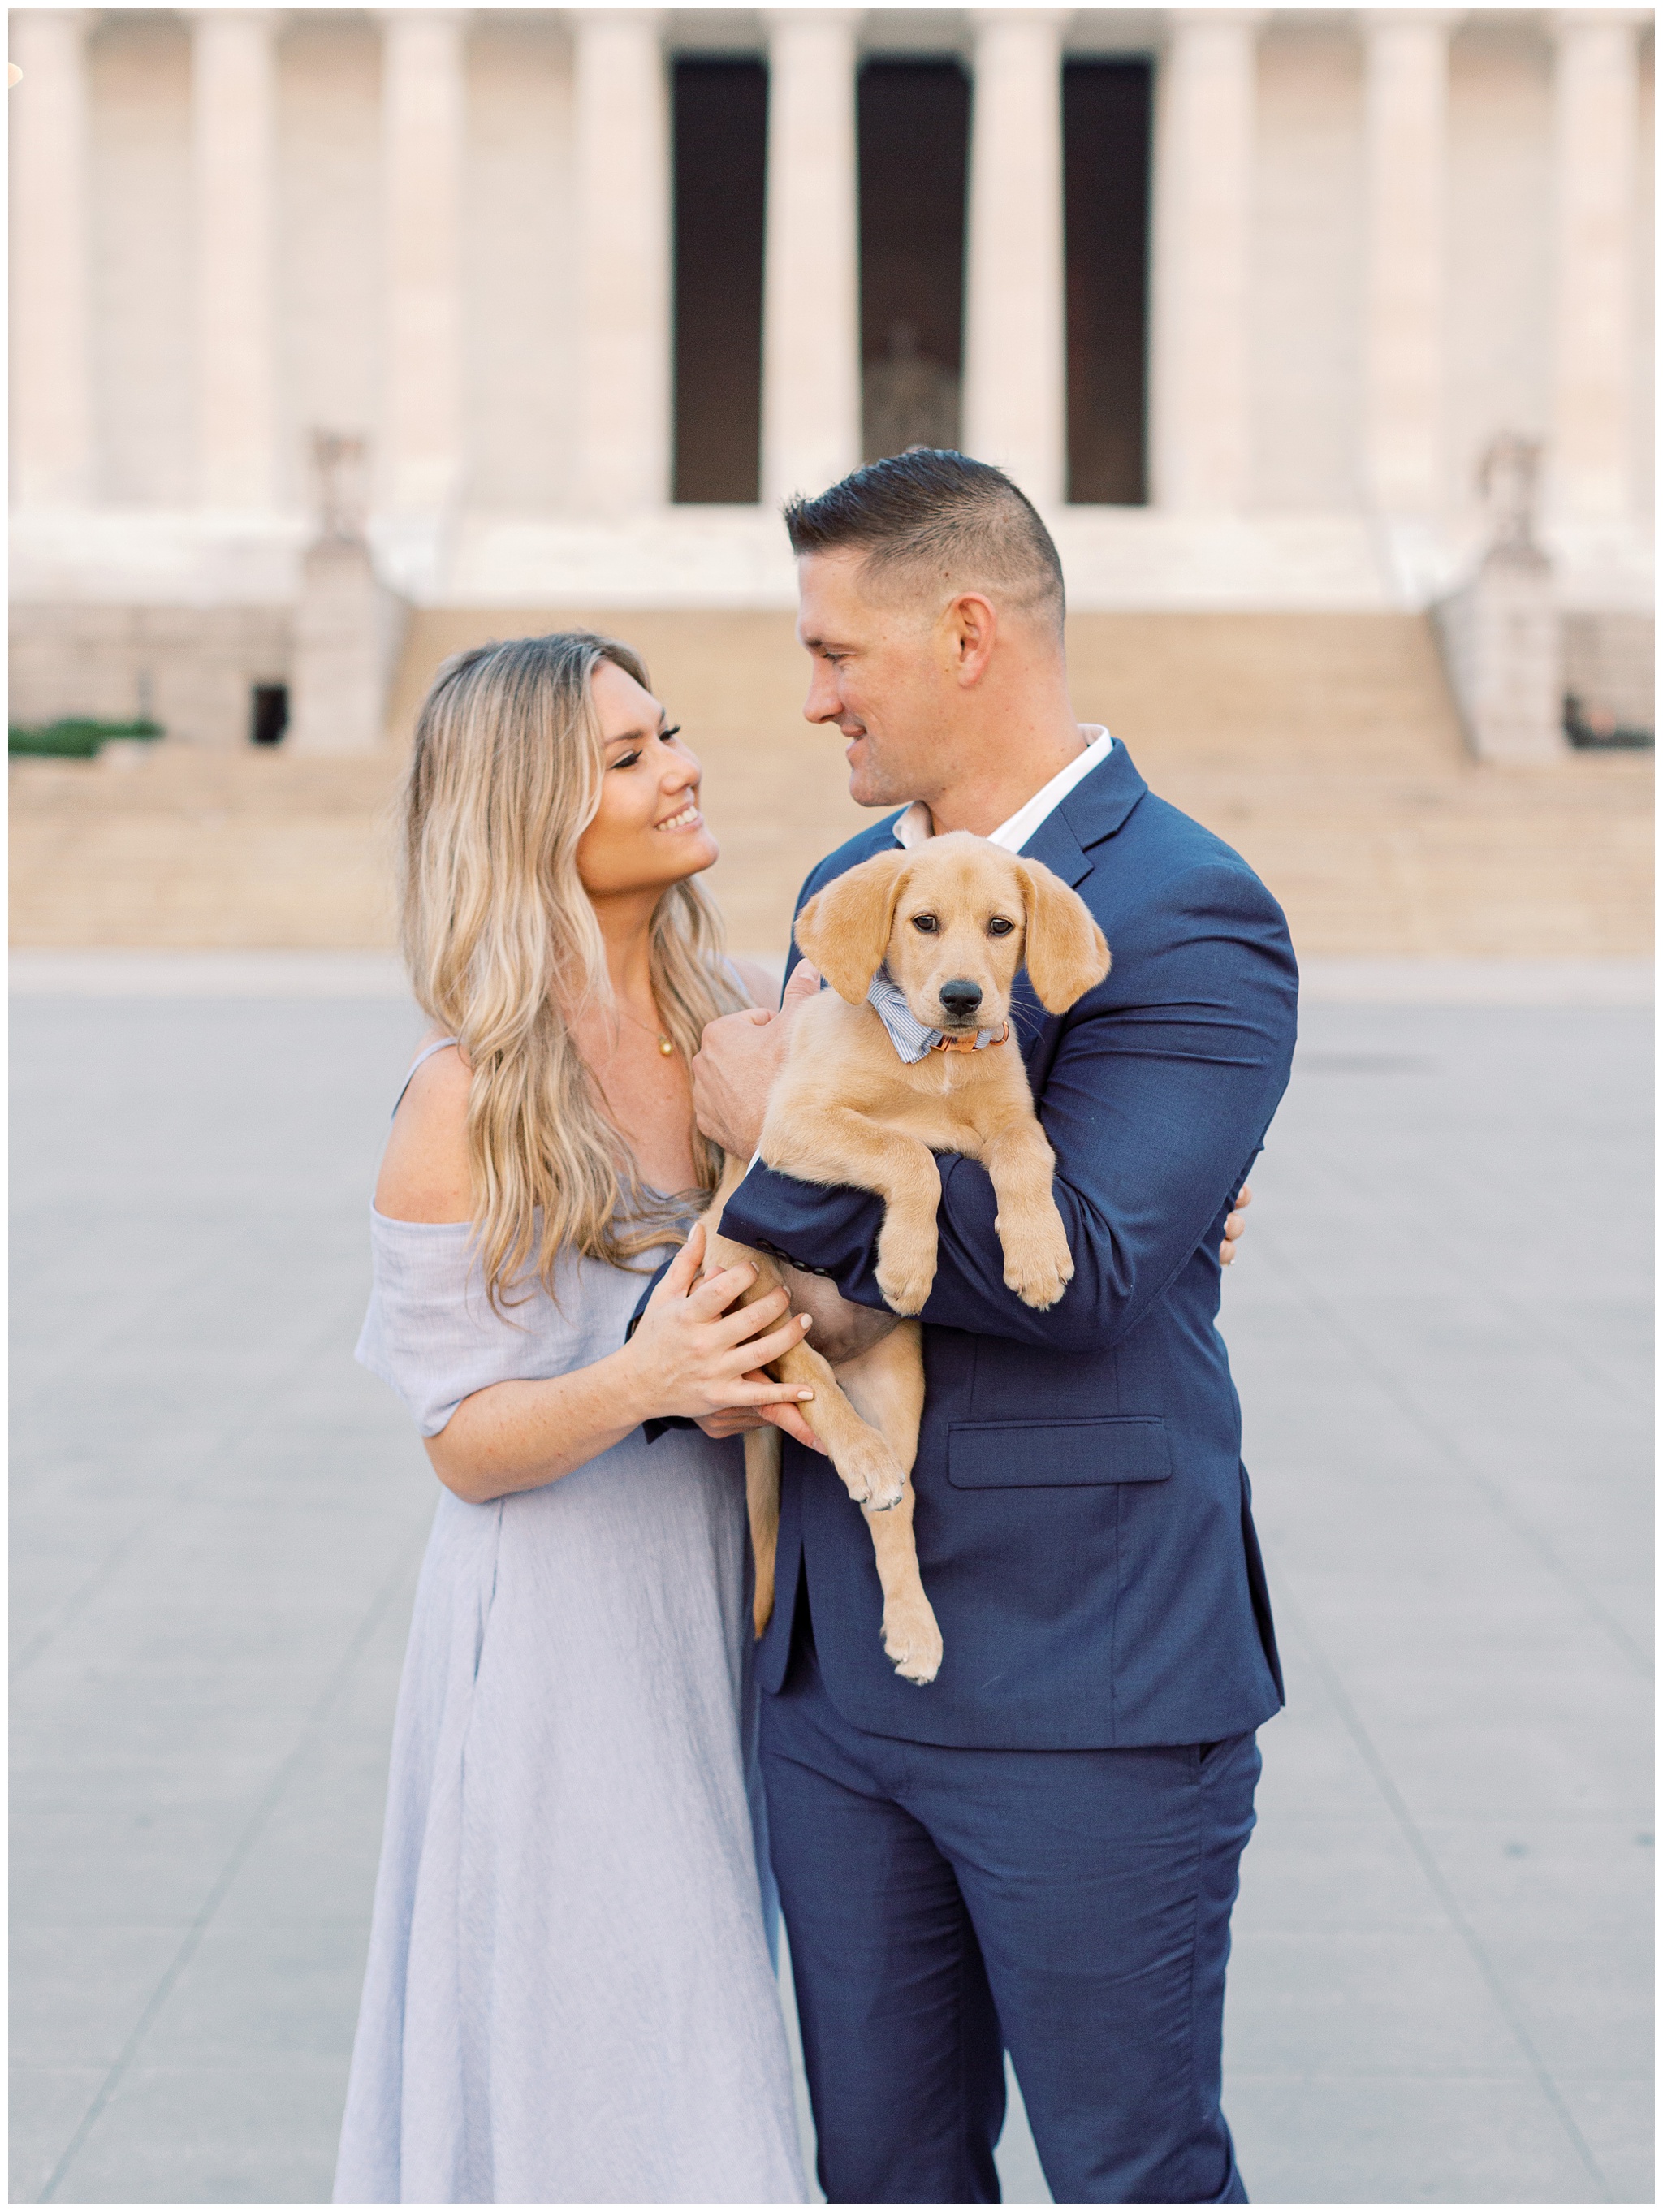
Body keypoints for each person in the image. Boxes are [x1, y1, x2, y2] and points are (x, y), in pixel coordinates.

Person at [689, 451, 1297, 2204]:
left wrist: (777, 1145)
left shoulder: (1188, 905)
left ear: (965, 634)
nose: (809, 702)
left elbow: (1091, 1262)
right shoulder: (844, 884)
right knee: (878, 2176)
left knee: (1128, 2174)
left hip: (1086, 1677)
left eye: (835, 656)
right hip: (838, 1675)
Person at [332, 631, 815, 2204]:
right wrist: (646, 1379)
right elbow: (462, 1445)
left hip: (741, 1606)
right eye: (625, 756)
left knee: (708, 2039)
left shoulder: (749, 1016)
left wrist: (1163, 1210)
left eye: (665, 733)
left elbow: (925, 1159)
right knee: (632, 2064)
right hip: (557, 1640)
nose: (679, 766)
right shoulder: (463, 1097)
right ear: (528, 809)